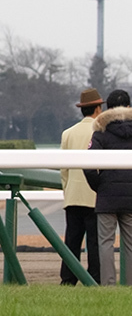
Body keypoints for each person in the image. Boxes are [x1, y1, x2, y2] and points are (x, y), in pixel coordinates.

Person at [85, 89, 132, 286]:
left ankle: (108, 286)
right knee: (130, 245)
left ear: (107, 109)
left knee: (105, 243)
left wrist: (100, 186)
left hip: (107, 196)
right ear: (129, 107)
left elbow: (87, 166)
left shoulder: (100, 133)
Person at [59, 88, 103, 285]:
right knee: (94, 243)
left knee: (72, 242)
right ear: (98, 109)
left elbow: (64, 170)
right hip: (95, 197)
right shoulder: (101, 131)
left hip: (73, 196)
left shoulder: (68, 133)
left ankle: (68, 280)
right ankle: (94, 280)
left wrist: (67, 191)